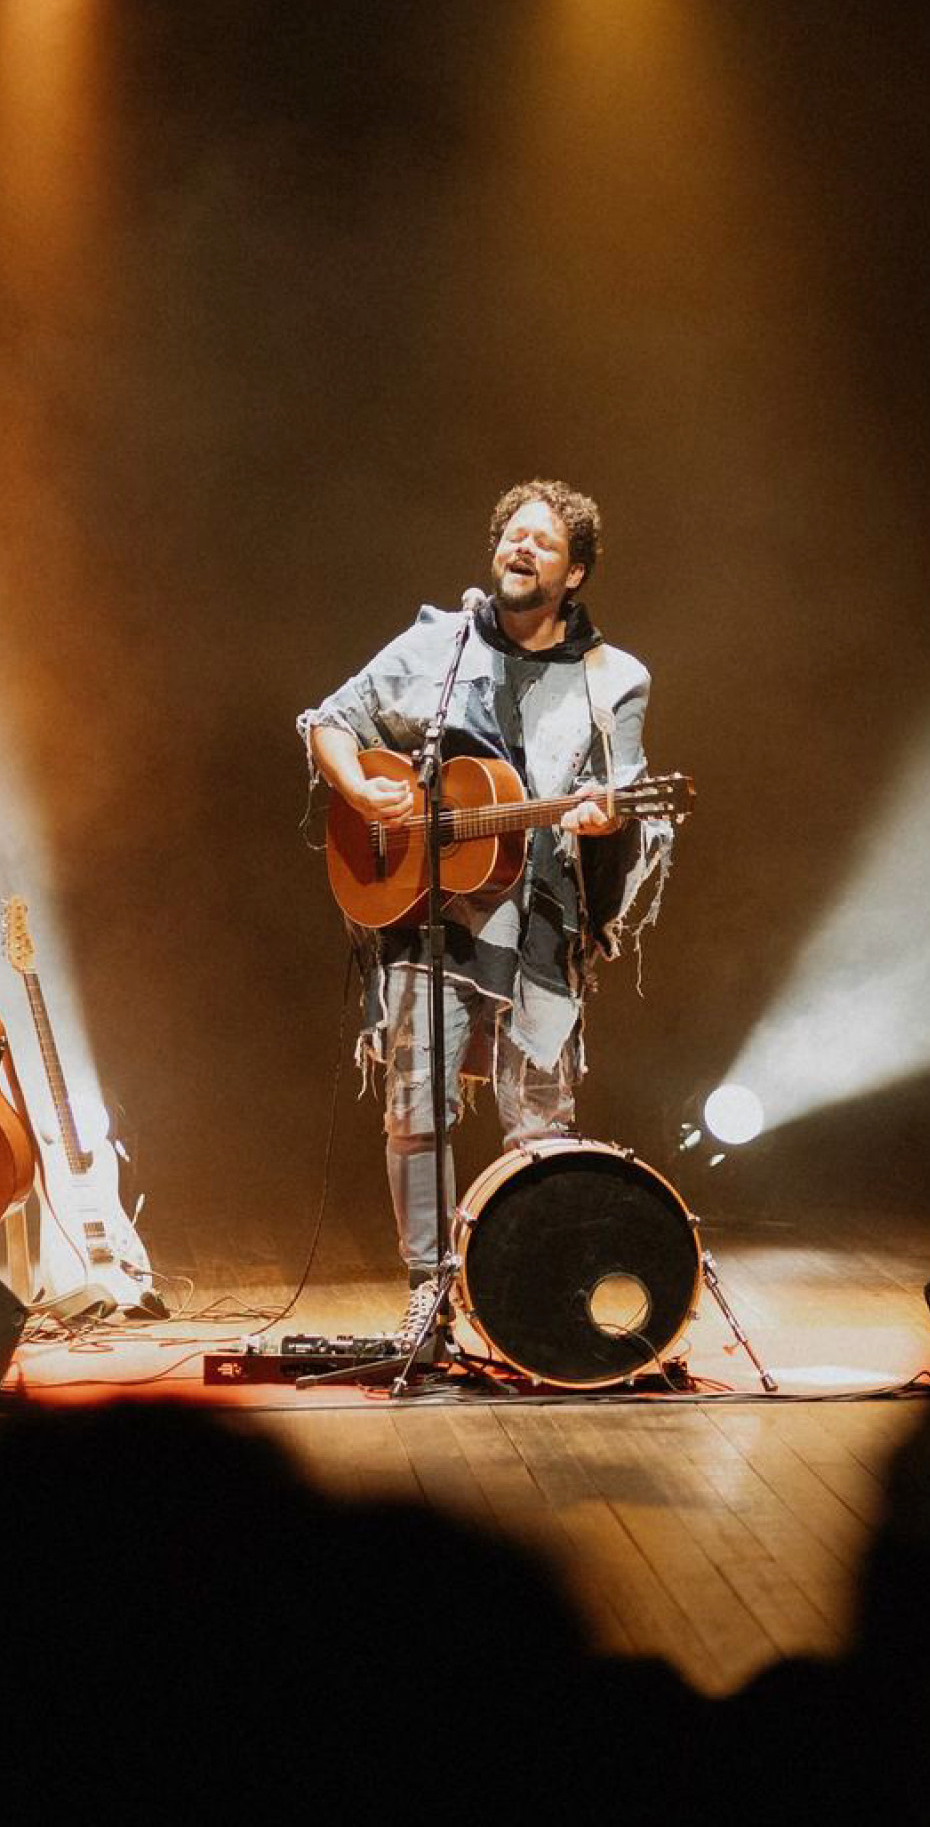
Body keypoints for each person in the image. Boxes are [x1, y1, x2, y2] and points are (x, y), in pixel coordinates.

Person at [300, 478, 673, 1348]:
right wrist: (362, 786)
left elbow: (629, 796)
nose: (523, 547)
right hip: (430, 919)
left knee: (539, 1121)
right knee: (413, 1101)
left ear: (574, 573)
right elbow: (332, 719)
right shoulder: (437, 646)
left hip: (539, 921)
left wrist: (609, 818)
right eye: (514, 533)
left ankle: (531, 1297)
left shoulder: (612, 679)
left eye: (544, 541)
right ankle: (429, 1297)